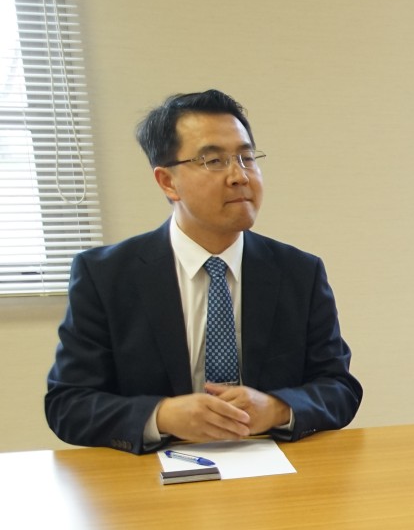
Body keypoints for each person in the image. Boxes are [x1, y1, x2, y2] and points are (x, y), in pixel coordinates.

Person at [45, 89, 361, 454]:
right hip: (152, 479)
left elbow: (339, 388)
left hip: (274, 476)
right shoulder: (106, 275)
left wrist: (276, 408)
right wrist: (162, 415)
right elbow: (68, 405)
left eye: (246, 158)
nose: (239, 176)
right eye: (214, 161)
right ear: (167, 181)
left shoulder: (299, 272)